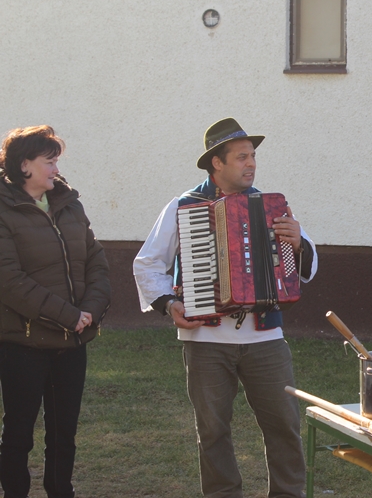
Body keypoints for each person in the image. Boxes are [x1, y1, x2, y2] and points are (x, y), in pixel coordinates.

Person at [133, 117, 317, 498]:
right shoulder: (185, 206)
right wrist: (169, 303)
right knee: (213, 431)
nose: (251, 164)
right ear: (217, 163)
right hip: (205, 339)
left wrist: (298, 243)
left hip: (264, 336)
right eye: (241, 157)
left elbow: (309, 267)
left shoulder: (272, 206)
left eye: (253, 157)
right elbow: (147, 263)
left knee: (284, 425)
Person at [0, 125, 111, 498]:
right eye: (49, 161)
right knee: (19, 433)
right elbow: (9, 281)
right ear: (25, 165)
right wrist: (69, 316)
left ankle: (61, 491)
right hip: (23, 345)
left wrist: (89, 311)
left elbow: (96, 262)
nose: (56, 168)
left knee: (64, 433)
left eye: (57, 160)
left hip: (72, 343)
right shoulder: (2, 210)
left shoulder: (69, 204)